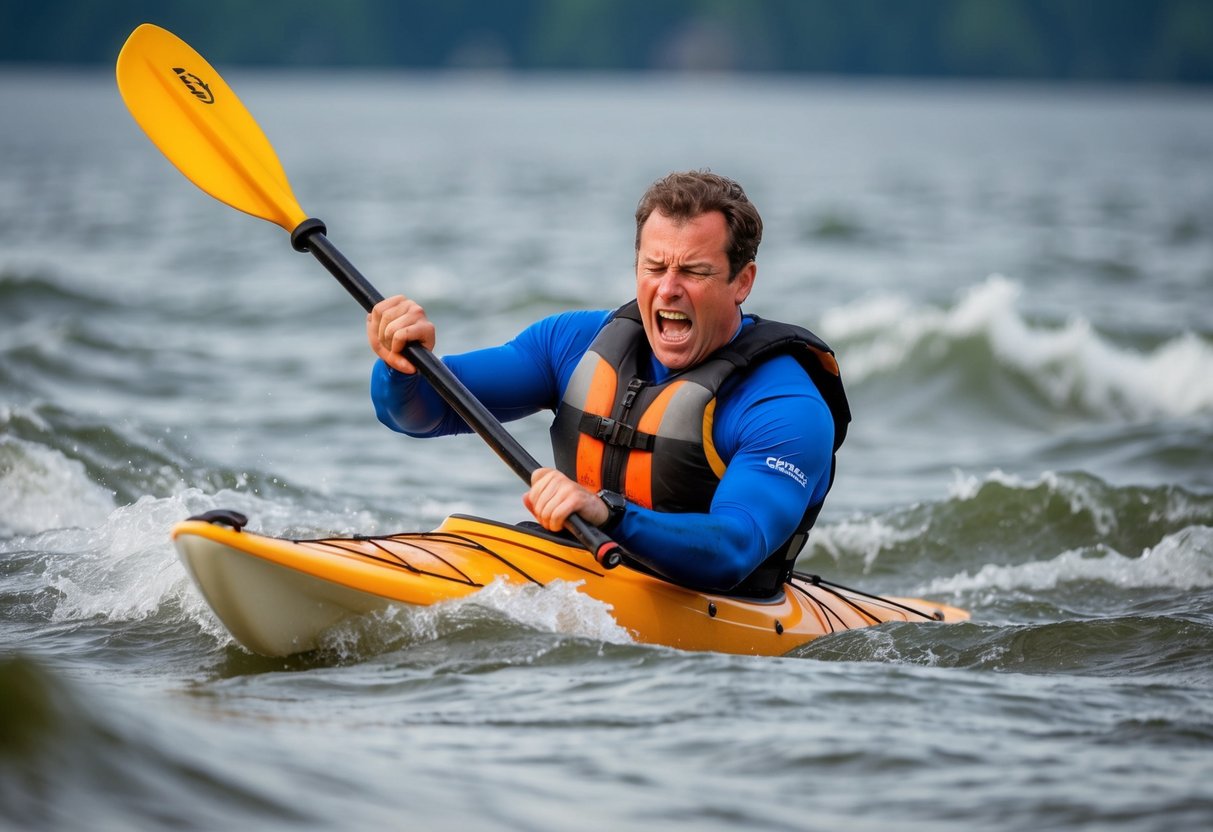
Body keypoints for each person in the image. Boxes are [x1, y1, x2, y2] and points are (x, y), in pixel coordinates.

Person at [367, 171, 850, 597]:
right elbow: (420, 413)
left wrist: (608, 514)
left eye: (695, 271)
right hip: (575, 567)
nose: (668, 288)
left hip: (718, 605)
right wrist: (401, 362)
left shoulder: (785, 404)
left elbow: (733, 549)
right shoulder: (573, 343)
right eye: (655, 267)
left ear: (742, 282)